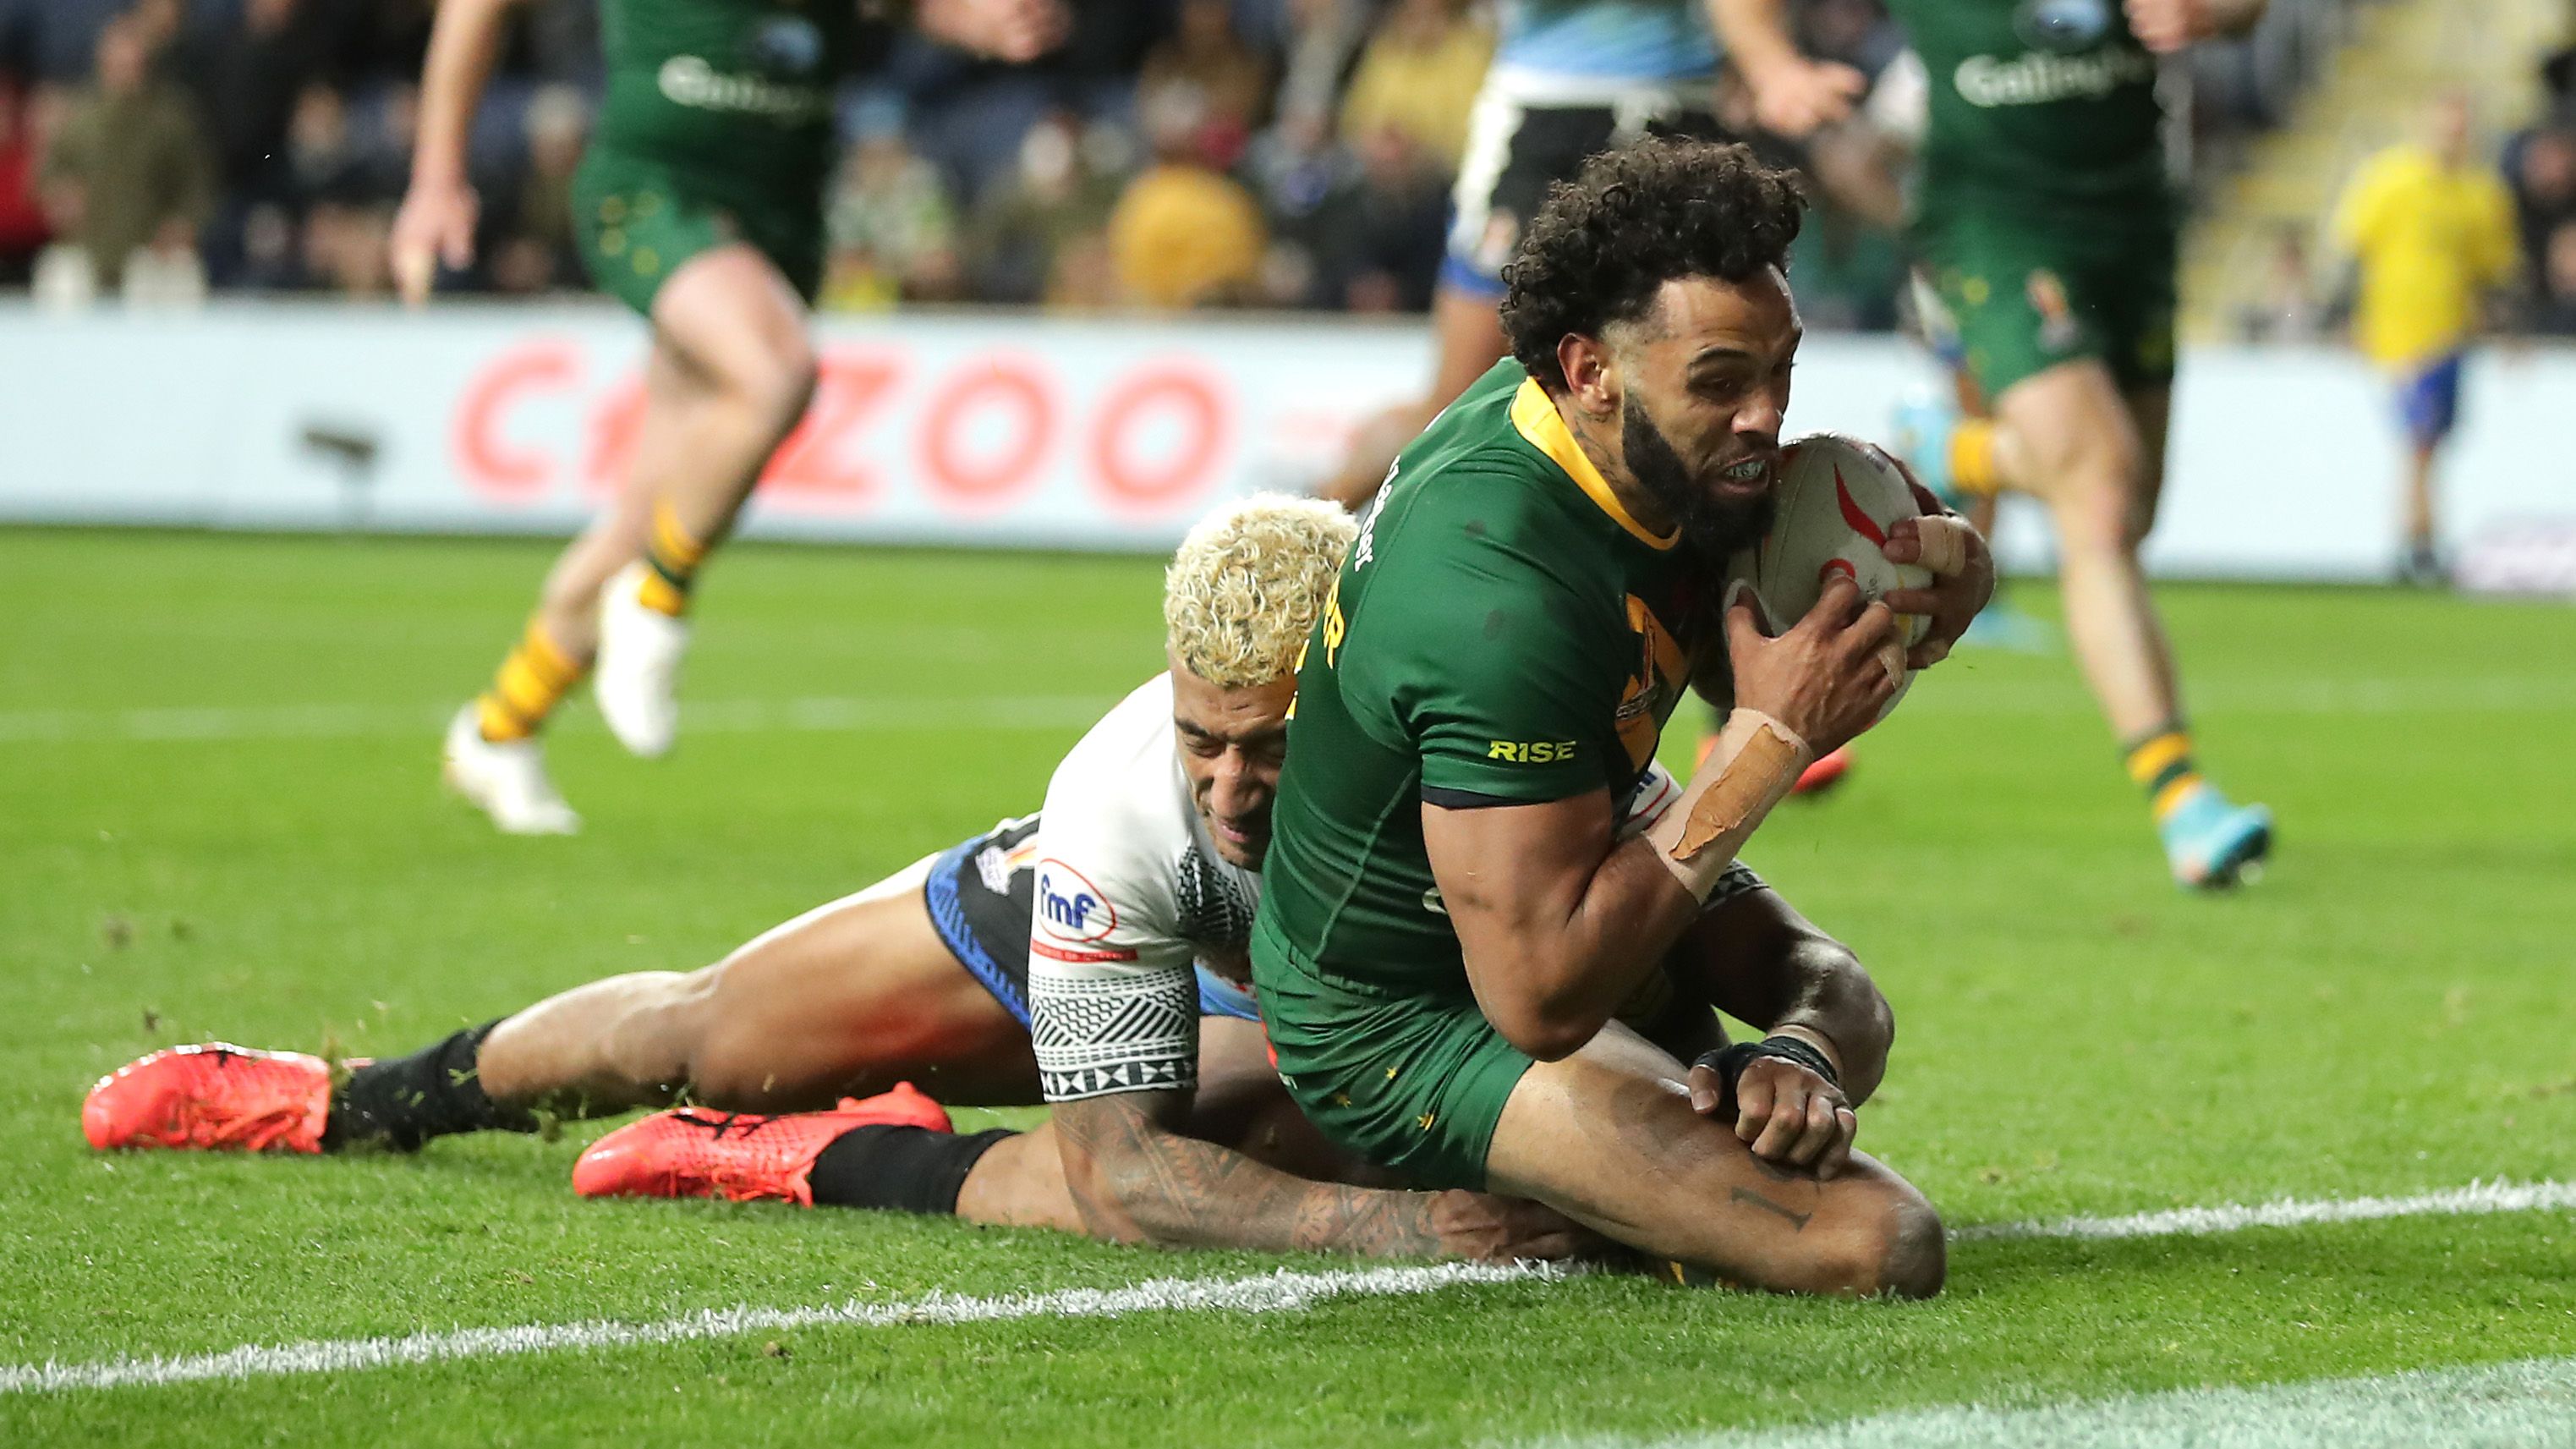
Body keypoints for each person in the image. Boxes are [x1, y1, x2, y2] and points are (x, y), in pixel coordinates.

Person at [83, 497, 1583, 1265]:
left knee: (1302, 1140)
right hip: (1102, 919)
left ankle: (829, 1157)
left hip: (1294, 1003)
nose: (1232, 784)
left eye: (1264, 747)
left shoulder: (1469, 740)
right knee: (702, 1030)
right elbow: (1124, 1175)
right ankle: (352, 1099)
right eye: (1204, 739)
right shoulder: (1124, 800)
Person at [1235, 140, 1988, 1295]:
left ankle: (1681, 1093)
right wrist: (1769, 746)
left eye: (1780, 373)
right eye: (1721, 380)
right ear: (1589, 372)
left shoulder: (1661, 453)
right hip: (1403, 1008)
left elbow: (1750, 660)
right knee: (1877, 1244)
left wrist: (1945, 587)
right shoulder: (1496, 592)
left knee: (1838, 1009)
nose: (1763, 419)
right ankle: (1510, 1155)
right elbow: (1537, 995)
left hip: (1585, 832)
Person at [398, 0, 1066, 835]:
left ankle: (501, 728)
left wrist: (968, 22)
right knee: (774, 373)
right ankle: (659, 599)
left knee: (647, 511)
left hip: (779, 206)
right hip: (654, 187)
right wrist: (435, 175)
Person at [1715, 0, 2275, 889]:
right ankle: (2182, 798)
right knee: (2095, 493)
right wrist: (1773, 64)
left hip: (2135, 221)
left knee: (2128, 511)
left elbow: (2245, 11)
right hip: (2000, 227)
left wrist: (2219, 10)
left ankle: (1958, 450)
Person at [1312, 0, 1732, 509]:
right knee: (1458, 399)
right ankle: (1308, 533)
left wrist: (1765, 63)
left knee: (1676, 394)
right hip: (1544, 118)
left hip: (1680, 116)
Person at [2329, 94, 2519, 586]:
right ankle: (2419, 546)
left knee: (2429, 446)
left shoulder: (2481, 191)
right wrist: (2346, 316)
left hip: (2451, 335)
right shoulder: (2390, 179)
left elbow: (2493, 270)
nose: (2453, 136)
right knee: (2420, 444)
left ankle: (2419, 542)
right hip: (2399, 336)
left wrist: (2507, 328)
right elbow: (2353, 248)